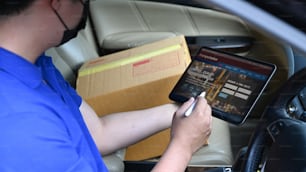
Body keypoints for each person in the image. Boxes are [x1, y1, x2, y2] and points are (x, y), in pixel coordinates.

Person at [0, 0, 212, 171]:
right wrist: (183, 147)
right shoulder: (21, 124)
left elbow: (98, 132)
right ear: (55, 3)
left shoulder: (31, 64)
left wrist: (179, 113)